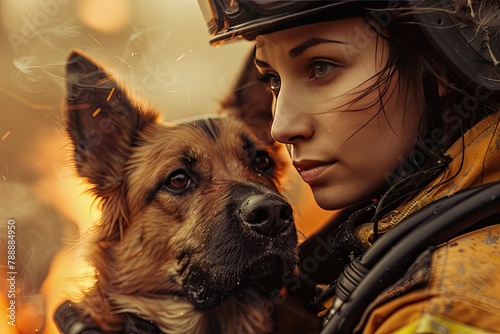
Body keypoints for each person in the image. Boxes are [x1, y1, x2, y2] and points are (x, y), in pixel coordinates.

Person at [198, 0, 500, 333]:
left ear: (439, 65)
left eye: (321, 67)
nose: (280, 127)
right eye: (272, 80)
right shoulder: (375, 249)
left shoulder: (439, 310)